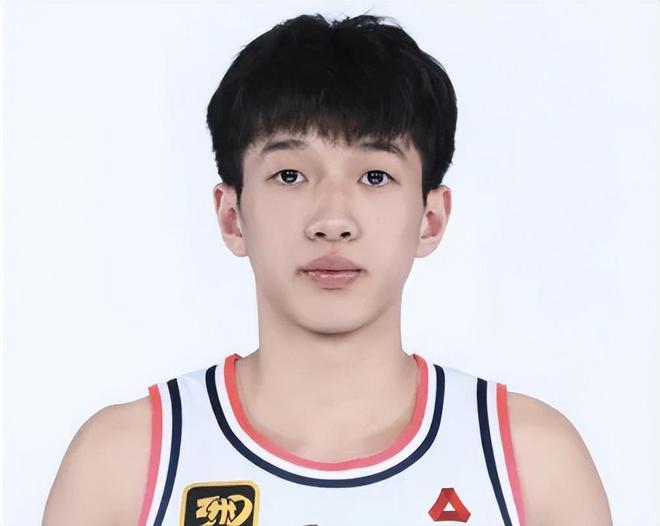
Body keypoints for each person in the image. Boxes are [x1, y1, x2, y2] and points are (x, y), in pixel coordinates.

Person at [42, 12, 612, 526]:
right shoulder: (123, 466)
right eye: (290, 175)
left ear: (430, 219)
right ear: (232, 216)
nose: (333, 221)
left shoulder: (531, 466)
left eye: (374, 176)